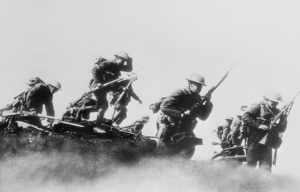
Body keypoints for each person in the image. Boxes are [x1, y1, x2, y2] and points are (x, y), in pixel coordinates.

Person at [156, 73, 213, 158]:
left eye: (201, 86)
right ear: (190, 84)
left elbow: (203, 117)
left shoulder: (197, 98)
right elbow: (164, 107)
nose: (200, 88)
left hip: (184, 128)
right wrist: (180, 114)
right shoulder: (180, 93)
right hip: (169, 125)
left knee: (189, 147)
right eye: (198, 85)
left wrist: (208, 103)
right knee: (163, 150)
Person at [242, 90, 287, 171]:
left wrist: (284, 119)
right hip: (254, 141)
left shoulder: (278, 112)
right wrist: (258, 125)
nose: (274, 104)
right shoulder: (257, 107)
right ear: (266, 100)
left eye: (276, 102)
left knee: (266, 168)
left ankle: (264, 183)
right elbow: (245, 117)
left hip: (268, 142)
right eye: (272, 102)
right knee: (251, 164)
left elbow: (282, 129)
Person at [91, 52, 133, 133]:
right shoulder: (108, 63)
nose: (123, 63)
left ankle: (83, 111)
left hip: (104, 88)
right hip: (98, 87)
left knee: (99, 106)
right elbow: (95, 69)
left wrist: (130, 59)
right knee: (103, 106)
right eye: (122, 60)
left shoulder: (117, 66)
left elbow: (129, 69)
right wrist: (98, 82)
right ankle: (97, 127)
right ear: (117, 58)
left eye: (125, 61)